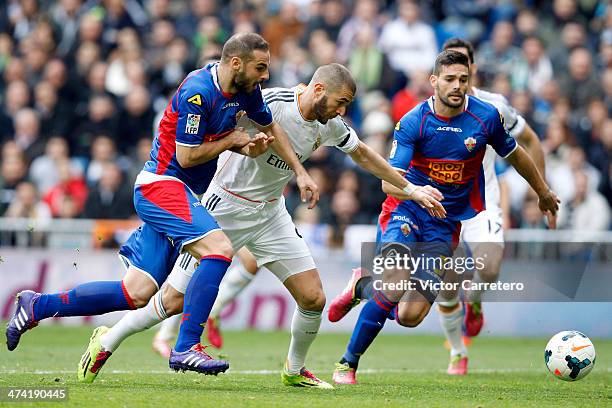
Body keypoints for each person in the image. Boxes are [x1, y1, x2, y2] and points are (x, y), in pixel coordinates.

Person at [81, 63, 444, 388]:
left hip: (272, 214)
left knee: (313, 297)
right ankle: (108, 339)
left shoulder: (330, 125)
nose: (342, 111)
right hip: (224, 207)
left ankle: (295, 369)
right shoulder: (271, 102)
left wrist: (409, 188)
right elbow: (213, 128)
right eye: (340, 101)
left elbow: (363, 153)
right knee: (173, 300)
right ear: (318, 89)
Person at [6, 33, 318, 379]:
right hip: (161, 186)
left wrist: (286, 165)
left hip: (184, 193)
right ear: (235, 63)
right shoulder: (197, 91)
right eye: (260, 67)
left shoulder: (247, 92)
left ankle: (37, 304)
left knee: (136, 293)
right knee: (218, 250)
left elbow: (268, 123)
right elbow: (186, 156)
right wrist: (234, 140)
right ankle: (186, 345)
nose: (265, 76)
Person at [326, 50, 559, 385]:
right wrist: (416, 192)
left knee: (409, 316)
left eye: (463, 79)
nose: (457, 85)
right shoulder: (413, 121)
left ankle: (363, 287)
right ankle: (347, 363)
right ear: (434, 81)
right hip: (405, 211)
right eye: (449, 79)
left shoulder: (486, 118)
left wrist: (543, 191)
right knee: (394, 284)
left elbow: (516, 154)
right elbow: (387, 183)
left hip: (446, 224)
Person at [431, 37, 547, 375]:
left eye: (462, 68)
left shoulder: (493, 107)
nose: (456, 77)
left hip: (483, 202)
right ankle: (456, 352)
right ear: (438, 75)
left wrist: (539, 191)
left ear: (472, 69)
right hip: (441, 207)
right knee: (446, 281)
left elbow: (529, 141)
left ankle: (476, 300)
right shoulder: (427, 111)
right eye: (449, 71)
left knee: (491, 267)